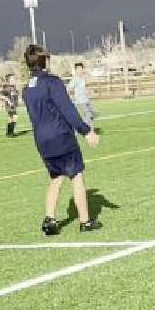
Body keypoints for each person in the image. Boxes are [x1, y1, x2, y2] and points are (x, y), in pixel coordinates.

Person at [20, 45, 102, 235]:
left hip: (42, 140)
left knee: (56, 178)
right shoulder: (53, 82)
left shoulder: (27, 89)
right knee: (77, 175)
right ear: (44, 61)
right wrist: (86, 130)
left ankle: (50, 219)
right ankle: (85, 221)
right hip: (61, 136)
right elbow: (67, 109)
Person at [69, 62, 98, 128]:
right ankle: (90, 130)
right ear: (75, 70)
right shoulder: (74, 79)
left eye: (81, 69)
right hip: (80, 101)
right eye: (79, 69)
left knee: (93, 114)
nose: (80, 70)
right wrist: (73, 97)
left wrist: (90, 91)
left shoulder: (83, 78)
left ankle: (86, 128)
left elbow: (86, 88)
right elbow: (70, 89)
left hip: (87, 100)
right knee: (88, 115)